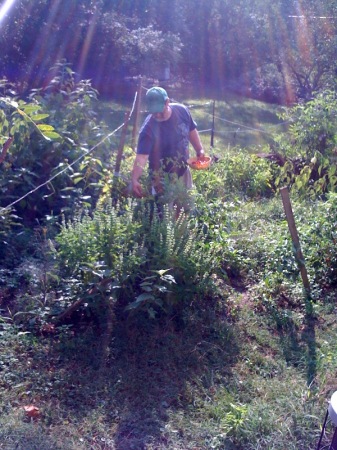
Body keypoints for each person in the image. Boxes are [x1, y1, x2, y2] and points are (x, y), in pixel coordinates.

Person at [130, 86, 205, 213]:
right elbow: (141, 157)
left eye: (160, 110)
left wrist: (200, 150)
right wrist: (135, 179)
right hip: (161, 179)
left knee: (186, 209)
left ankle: (184, 231)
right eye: (154, 112)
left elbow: (192, 130)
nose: (157, 115)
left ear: (167, 102)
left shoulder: (182, 111)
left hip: (183, 171)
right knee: (165, 216)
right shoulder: (148, 130)